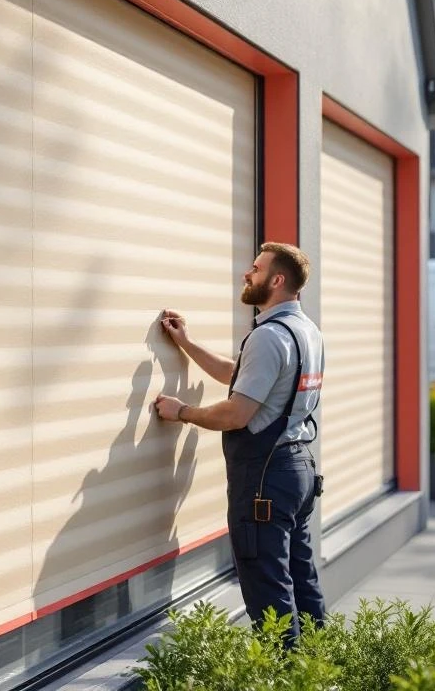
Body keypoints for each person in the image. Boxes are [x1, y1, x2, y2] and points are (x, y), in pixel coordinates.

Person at [153, 242, 326, 643]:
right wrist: (187, 344)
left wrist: (182, 412)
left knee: (269, 590)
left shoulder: (269, 336)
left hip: (266, 479)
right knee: (301, 579)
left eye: (255, 268)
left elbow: (236, 414)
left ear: (276, 280)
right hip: (297, 470)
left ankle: (286, 679)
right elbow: (246, 376)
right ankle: (320, 670)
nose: (246, 274)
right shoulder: (306, 331)